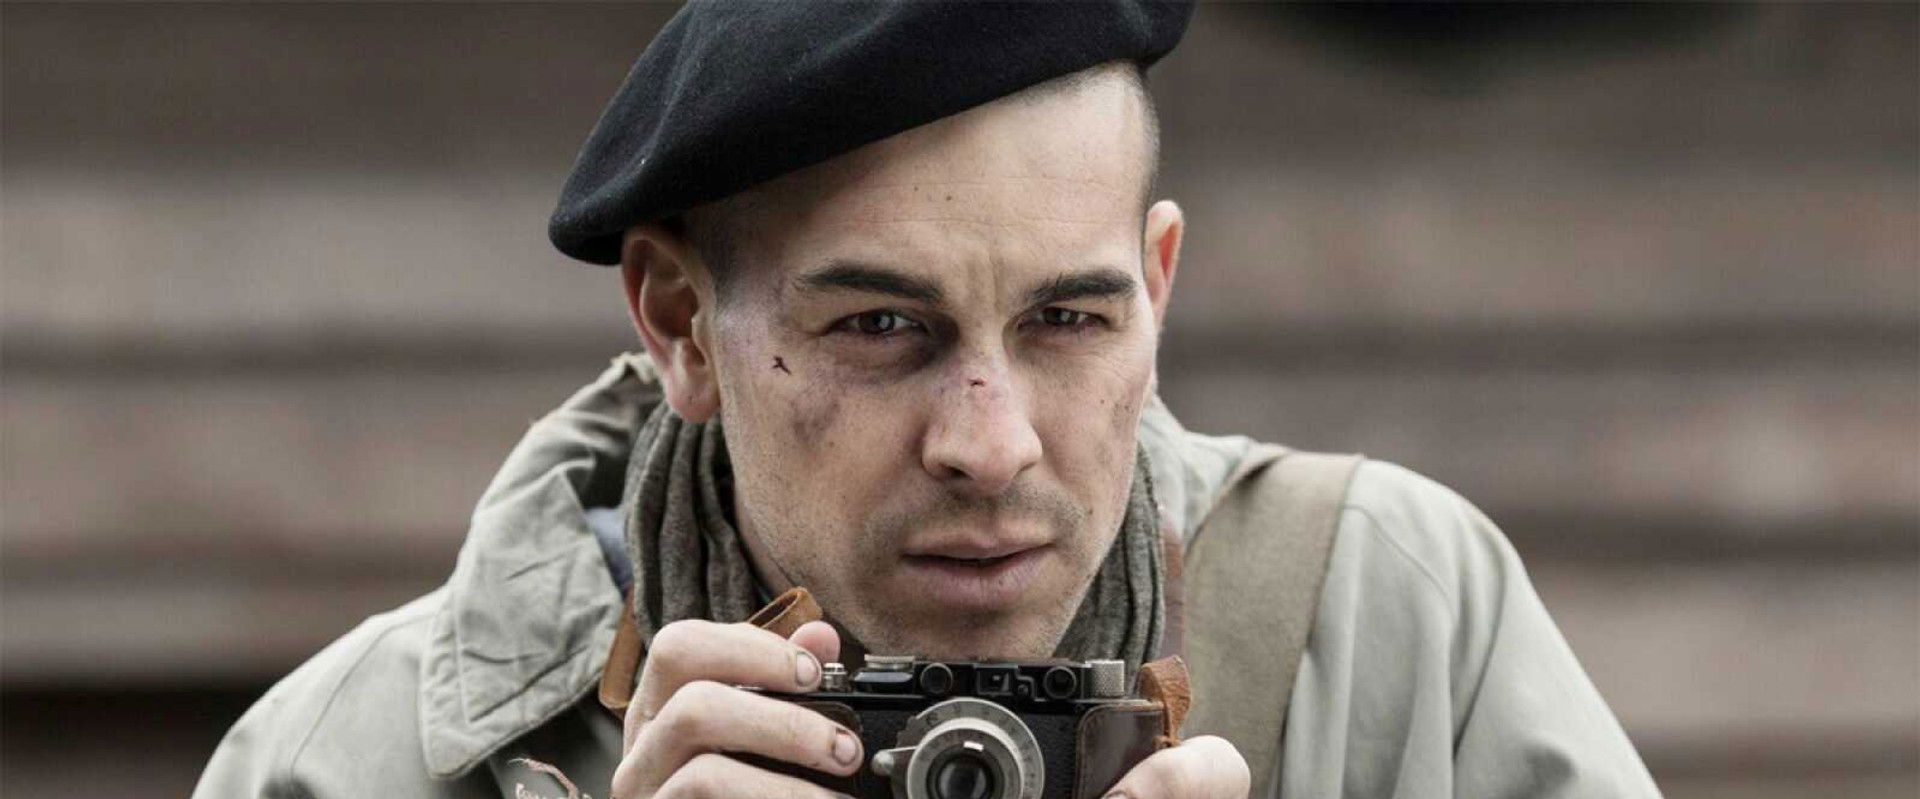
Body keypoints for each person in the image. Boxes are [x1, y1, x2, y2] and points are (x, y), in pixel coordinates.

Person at [194, 3, 1662, 798]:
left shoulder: (1396, 621)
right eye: (883, 326)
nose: (991, 443)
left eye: (1070, 320)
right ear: (678, 320)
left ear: (1158, 284)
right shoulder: (349, 763)